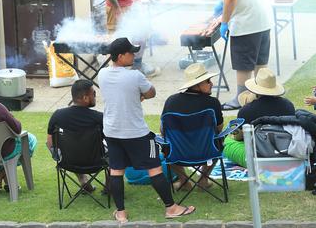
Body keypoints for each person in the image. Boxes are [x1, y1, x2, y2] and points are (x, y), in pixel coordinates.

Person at [99, 37, 195, 222]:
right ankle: (171, 208)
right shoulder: (135, 76)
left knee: (116, 171)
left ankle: (120, 212)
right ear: (120, 56)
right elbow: (151, 93)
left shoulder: (102, 74)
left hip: (111, 131)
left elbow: (121, 94)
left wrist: (134, 95)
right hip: (137, 133)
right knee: (154, 169)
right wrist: (139, 94)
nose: (134, 55)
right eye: (130, 52)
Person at [204, 0, 273, 110]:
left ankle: (242, 98)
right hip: (263, 19)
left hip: (246, 22)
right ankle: (262, 95)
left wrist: (224, 22)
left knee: (243, 64)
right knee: (260, 61)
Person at [162, 63, 223, 191]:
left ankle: (184, 181)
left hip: (177, 153)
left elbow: (163, 131)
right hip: (207, 151)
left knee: (167, 146)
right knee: (218, 140)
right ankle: (203, 180)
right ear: (197, 84)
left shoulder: (171, 101)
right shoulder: (212, 103)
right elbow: (219, 128)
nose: (211, 83)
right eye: (208, 81)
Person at [223, 68, 295, 167]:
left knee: (228, 141)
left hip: (259, 158)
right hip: (287, 151)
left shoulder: (246, 111)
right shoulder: (288, 105)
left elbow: (240, 138)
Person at [46, 79, 104, 192]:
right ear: (85, 98)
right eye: (94, 94)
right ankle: (109, 187)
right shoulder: (99, 118)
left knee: (72, 149)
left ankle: (83, 180)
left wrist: (58, 157)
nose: (95, 96)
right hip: (96, 161)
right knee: (117, 149)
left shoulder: (58, 116)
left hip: (68, 162)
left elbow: (50, 142)